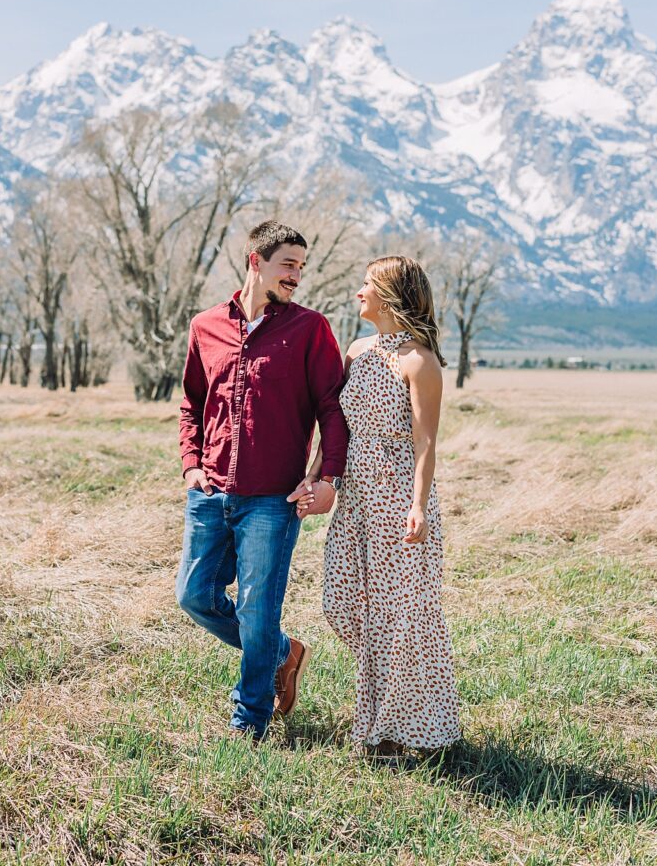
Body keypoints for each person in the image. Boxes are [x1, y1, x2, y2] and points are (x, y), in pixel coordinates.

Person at [175, 221, 348, 742]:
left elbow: (332, 410)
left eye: (301, 265)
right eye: (287, 264)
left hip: (274, 499)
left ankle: (249, 719)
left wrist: (329, 479)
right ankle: (282, 651)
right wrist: (191, 465)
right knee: (193, 595)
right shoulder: (206, 326)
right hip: (211, 492)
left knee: (256, 608)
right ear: (256, 261)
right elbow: (192, 403)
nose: (297, 275)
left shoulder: (309, 329)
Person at [290, 256, 461, 757]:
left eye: (367, 285)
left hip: (398, 496)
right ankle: (387, 722)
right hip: (356, 497)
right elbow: (336, 425)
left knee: (403, 616)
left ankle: (405, 735)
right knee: (345, 604)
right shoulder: (358, 350)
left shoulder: (419, 361)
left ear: (390, 294)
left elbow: (426, 441)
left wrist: (420, 506)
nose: (358, 292)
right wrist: (320, 473)